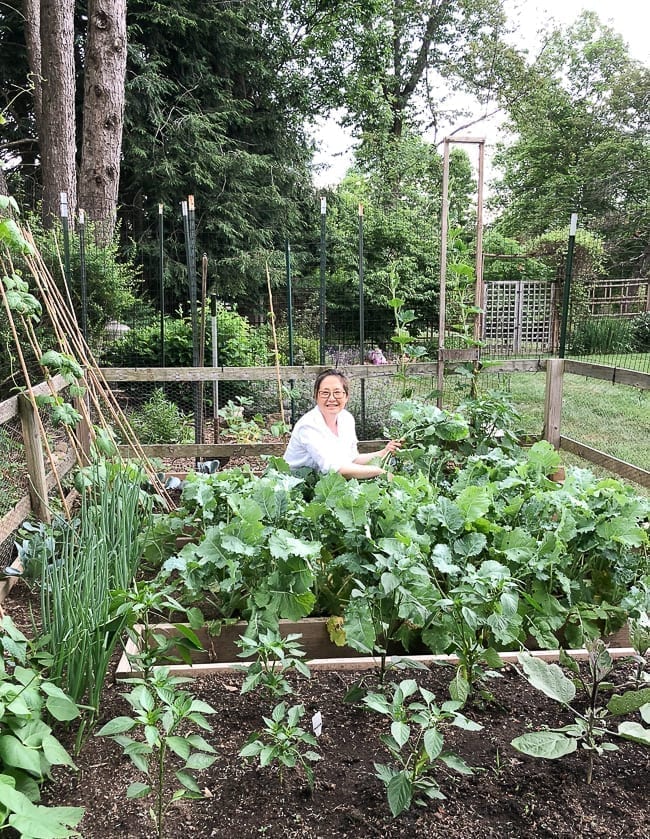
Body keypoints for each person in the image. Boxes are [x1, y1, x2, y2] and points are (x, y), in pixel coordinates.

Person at [283, 369, 402, 479]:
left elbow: (352, 460)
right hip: (296, 485)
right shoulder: (309, 426)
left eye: (337, 392)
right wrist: (379, 472)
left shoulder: (346, 419)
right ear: (316, 397)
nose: (331, 398)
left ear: (346, 397)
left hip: (321, 481)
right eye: (325, 393)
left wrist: (384, 452)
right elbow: (336, 470)